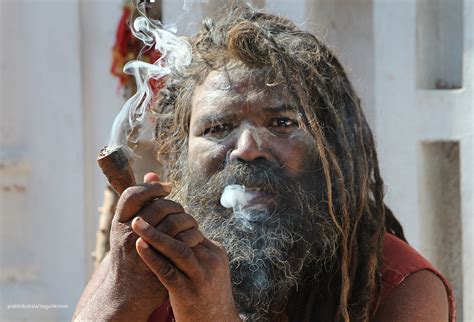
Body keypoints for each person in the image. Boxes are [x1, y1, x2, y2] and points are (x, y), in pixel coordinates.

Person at [74, 6, 455, 322]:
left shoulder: (396, 284)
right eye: (218, 127)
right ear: (178, 152)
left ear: (331, 146)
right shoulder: (142, 262)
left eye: (282, 123)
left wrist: (210, 315)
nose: (247, 149)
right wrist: (123, 293)